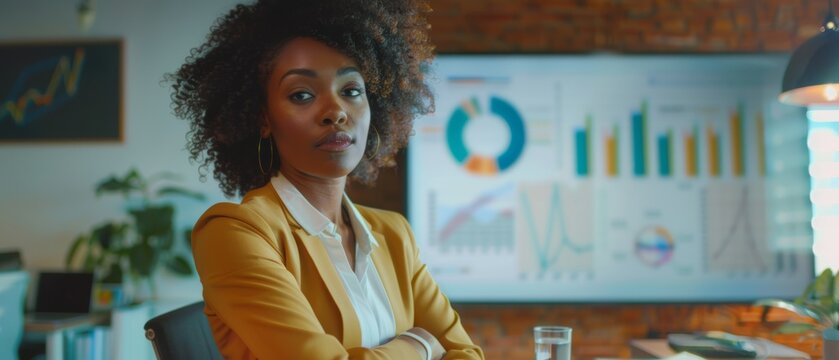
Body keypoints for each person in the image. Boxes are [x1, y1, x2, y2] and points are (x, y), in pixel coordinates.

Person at [169, 0, 484, 359]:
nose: (335, 112)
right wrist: (420, 345)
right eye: (301, 95)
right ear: (263, 118)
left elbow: (468, 354)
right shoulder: (236, 233)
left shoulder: (393, 235)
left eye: (351, 91)